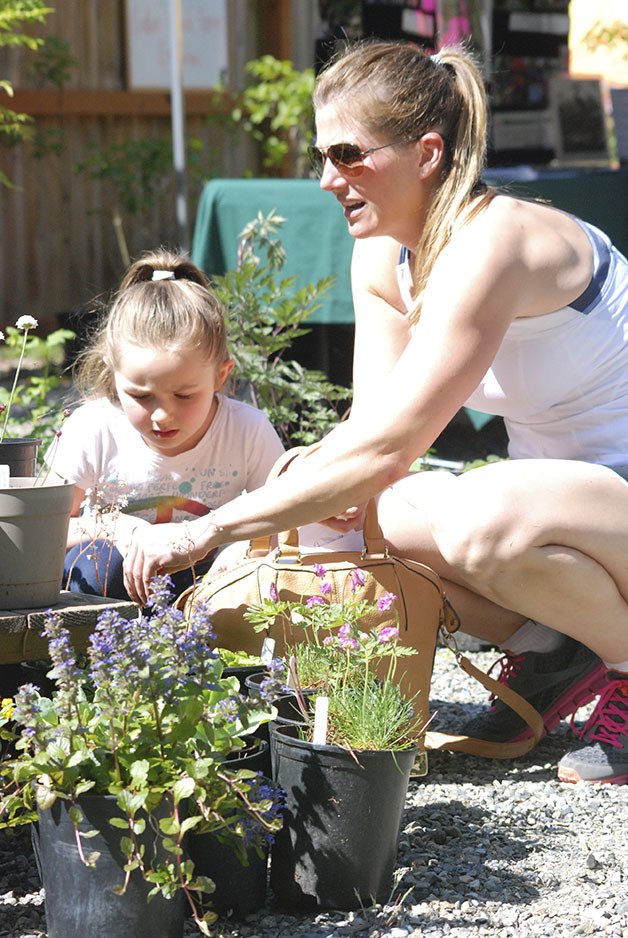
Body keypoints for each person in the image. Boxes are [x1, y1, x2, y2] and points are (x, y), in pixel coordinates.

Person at [121, 42, 628, 786]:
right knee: (353, 509)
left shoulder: (497, 243)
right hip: (582, 510)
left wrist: (213, 528)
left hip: (598, 506)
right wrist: (277, 514)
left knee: (475, 517)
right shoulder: (383, 255)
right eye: (321, 154)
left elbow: (390, 447)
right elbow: (366, 440)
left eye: (350, 154)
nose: (329, 179)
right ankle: (555, 655)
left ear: (427, 154)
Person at [46, 248, 284, 601]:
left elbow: (285, 518)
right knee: (97, 563)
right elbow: (44, 527)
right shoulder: (93, 427)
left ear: (221, 376)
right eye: (141, 397)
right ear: (114, 374)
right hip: (115, 584)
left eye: (185, 396)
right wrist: (119, 529)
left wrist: (238, 551)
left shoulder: (248, 430)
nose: (162, 415)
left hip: (208, 577)